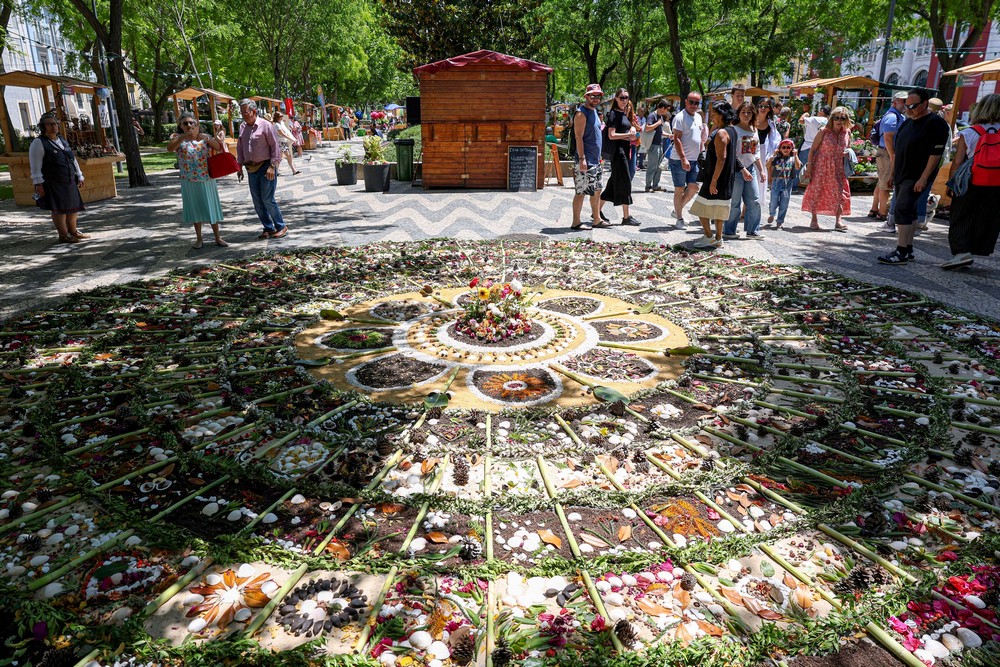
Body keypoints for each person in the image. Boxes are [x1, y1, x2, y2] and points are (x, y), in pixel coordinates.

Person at [877, 88, 949, 265]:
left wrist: (924, 178)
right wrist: (892, 173)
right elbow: (898, 151)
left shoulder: (935, 123)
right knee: (908, 210)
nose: (908, 108)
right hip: (902, 173)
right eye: (906, 105)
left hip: (917, 175)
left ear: (925, 104)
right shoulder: (907, 122)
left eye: (913, 105)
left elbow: (935, 154)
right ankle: (907, 248)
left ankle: (901, 250)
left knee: (902, 209)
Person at [942, 94, 1000, 270]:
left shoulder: (970, 132)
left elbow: (958, 162)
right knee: (987, 216)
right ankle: (977, 248)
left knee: (961, 215)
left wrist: (951, 183)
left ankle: (961, 252)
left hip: (971, 180)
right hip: (997, 183)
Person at [167, 113, 227, 249]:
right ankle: (199, 238)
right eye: (185, 123)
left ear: (196, 124)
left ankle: (217, 236)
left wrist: (206, 138)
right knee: (195, 210)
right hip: (189, 180)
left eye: (191, 123)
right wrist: (182, 138)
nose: (189, 126)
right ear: (180, 126)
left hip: (206, 178)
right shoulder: (177, 138)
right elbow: (170, 149)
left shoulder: (204, 137)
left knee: (211, 208)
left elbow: (218, 147)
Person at [29, 112, 87, 243]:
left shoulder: (62, 140)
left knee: (73, 207)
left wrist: (79, 175)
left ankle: (73, 231)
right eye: (50, 124)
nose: (54, 126)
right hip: (53, 181)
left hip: (69, 180)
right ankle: (63, 235)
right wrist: (38, 184)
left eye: (55, 123)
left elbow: (72, 159)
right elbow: (35, 166)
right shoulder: (38, 143)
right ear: (43, 127)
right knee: (59, 209)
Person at [236, 99, 288, 240]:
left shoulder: (265, 125)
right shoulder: (242, 127)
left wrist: (273, 166)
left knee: (267, 199)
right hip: (251, 168)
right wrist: (239, 166)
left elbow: (275, 146)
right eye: (241, 113)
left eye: (245, 112)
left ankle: (281, 226)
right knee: (257, 201)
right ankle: (268, 228)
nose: (243, 115)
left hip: (266, 166)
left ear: (254, 111)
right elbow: (240, 148)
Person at [691, 101, 738, 249]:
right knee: (719, 209)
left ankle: (709, 236)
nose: (712, 116)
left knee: (699, 208)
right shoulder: (733, 131)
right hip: (727, 178)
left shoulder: (721, 133)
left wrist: (713, 181)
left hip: (716, 178)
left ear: (723, 115)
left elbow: (721, 158)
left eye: (715, 113)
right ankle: (718, 238)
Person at [801, 106, 853, 231]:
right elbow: (812, 149)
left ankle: (838, 221)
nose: (839, 120)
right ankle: (814, 219)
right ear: (832, 118)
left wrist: (848, 153)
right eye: (836, 118)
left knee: (841, 193)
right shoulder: (824, 132)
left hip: (838, 167)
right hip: (821, 165)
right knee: (817, 190)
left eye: (842, 118)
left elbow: (849, 147)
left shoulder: (847, 132)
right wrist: (809, 166)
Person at [722, 102, 765, 239]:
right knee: (735, 202)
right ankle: (729, 230)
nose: (746, 115)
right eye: (743, 112)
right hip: (736, 170)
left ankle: (753, 230)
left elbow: (755, 153)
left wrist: (761, 170)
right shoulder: (733, 130)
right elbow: (732, 154)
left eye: (749, 112)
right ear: (738, 114)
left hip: (751, 168)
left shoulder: (754, 130)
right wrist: (742, 170)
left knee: (754, 199)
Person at [600, 88, 638, 226]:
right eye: (621, 97)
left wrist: (632, 129)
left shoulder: (623, 114)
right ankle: (626, 217)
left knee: (612, 184)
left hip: (624, 151)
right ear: (616, 98)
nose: (624, 100)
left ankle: (596, 211)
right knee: (625, 182)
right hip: (618, 152)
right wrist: (628, 135)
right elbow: (612, 135)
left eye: (626, 97)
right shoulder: (613, 114)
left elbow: (626, 129)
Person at [570, 83, 605, 230]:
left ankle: (596, 219)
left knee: (596, 190)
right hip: (585, 160)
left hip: (596, 160)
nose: (596, 98)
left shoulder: (595, 112)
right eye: (593, 95)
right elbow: (578, 137)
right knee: (582, 191)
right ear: (586, 96)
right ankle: (576, 222)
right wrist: (581, 158)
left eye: (598, 96)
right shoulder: (581, 113)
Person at [669, 91, 705, 228]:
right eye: (691, 102)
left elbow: (700, 138)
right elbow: (677, 138)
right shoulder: (680, 117)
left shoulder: (698, 117)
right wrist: (683, 158)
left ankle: (677, 209)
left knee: (694, 187)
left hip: (695, 159)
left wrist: (702, 154)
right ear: (686, 102)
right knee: (679, 188)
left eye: (697, 103)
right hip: (679, 159)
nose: (694, 105)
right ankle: (679, 218)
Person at [871, 92, 906, 224]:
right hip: (887, 153)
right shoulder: (892, 117)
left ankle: (875, 209)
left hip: (886, 152)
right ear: (895, 101)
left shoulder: (896, 115)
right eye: (903, 101)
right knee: (886, 185)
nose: (906, 103)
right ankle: (882, 213)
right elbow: (888, 137)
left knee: (881, 182)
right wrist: (893, 155)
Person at [766, 139, 801, 228]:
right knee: (773, 201)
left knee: (784, 203)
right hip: (777, 182)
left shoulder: (793, 159)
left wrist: (796, 155)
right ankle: (772, 213)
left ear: (792, 149)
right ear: (780, 149)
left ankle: (780, 220)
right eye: (783, 147)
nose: (786, 149)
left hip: (788, 183)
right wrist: (773, 154)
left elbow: (798, 167)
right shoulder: (776, 158)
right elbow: (768, 165)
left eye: (788, 147)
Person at [795, 105, 830, 190]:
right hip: (820, 146)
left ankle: (794, 186)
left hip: (808, 145)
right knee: (816, 167)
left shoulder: (815, 119)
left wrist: (805, 114)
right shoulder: (828, 122)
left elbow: (801, 120)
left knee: (799, 165)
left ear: (822, 111)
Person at [754, 98, 782, 197]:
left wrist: (771, 156)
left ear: (770, 109)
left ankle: (747, 207)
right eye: (761, 105)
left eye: (766, 106)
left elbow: (773, 141)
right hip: (748, 151)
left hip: (761, 152)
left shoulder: (770, 124)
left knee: (758, 178)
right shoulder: (751, 119)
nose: (763, 108)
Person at [644, 100, 670, 193]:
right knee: (652, 166)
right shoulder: (652, 115)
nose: (667, 111)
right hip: (653, 145)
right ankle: (648, 186)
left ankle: (655, 185)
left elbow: (659, 131)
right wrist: (658, 123)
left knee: (659, 167)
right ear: (663, 108)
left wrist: (668, 135)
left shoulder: (660, 117)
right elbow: (647, 128)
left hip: (659, 144)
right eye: (667, 109)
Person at [270, 110, 300, 175]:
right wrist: (292, 139)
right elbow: (282, 134)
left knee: (281, 158)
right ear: (277, 117)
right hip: (281, 142)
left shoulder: (280, 123)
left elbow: (285, 132)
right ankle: (293, 170)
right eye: (280, 116)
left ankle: (276, 171)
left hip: (282, 142)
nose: (282, 117)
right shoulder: (277, 125)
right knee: (287, 156)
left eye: (282, 116)